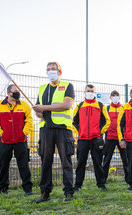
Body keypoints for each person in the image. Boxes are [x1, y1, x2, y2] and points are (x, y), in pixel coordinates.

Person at [33, 62, 76, 202]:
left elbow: (66, 105)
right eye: (48, 69)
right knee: (45, 162)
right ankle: (45, 192)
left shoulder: (67, 86)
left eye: (53, 69)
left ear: (59, 72)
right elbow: (39, 113)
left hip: (63, 129)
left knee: (66, 161)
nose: (51, 71)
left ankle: (69, 192)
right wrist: (38, 112)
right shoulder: (42, 88)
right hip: (46, 129)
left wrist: (44, 108)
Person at [0, 84, 33, 196]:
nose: (18, 92)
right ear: (9, 93)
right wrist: (1, 133)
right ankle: (2, 188)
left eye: (18, 90)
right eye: (15, 91)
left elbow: (29, 120)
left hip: (21, 141)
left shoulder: (24, 105)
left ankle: (28, 189)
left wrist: (24, 132)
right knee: (3, 165)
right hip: (5, 141)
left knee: (23, 165)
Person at [73, 84, 111, 191]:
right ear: (84, 93)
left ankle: (101, 184)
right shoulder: (79, 106)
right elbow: (73, 122)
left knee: (98, 162)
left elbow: (107, 121)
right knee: (81, 163)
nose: (90, 92)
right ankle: (78, 185)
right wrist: (80, 132)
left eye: (92, 91)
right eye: (88, 91)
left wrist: (99, 132)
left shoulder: (100, 106)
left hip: (96, 139)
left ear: (94, 93)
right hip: (83, 139)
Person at [102, 90, 130, 185]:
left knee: (125, 159)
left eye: (117, 95)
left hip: (121, 138)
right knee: (107, 160)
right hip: (109, 137)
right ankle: (103, 181)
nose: (115, 97)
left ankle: (129, 180)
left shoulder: (123, 108)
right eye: (113, 96)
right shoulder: (107, 108)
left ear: (119, 97)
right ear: (110, 98)